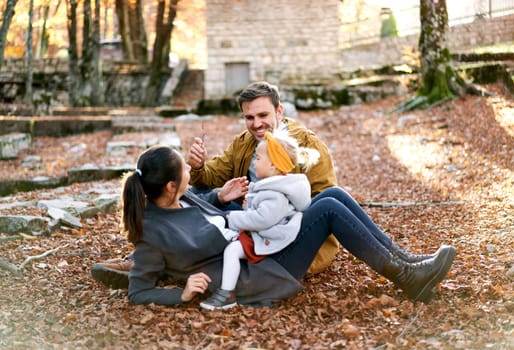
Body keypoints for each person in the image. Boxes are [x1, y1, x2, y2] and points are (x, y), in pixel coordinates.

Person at [90, 81, 444, 288]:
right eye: (249, 117)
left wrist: (267, 208)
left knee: (333, 197)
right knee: (196, 193)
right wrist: (197, 168)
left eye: (263, 115)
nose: (257, 124)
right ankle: (146, 254)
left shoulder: (304, 145)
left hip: (292, 233)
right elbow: (209, 178)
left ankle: (405, 263)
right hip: (255, 229)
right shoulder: (245, 143)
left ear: (279, 111)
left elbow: (316, 201)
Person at [119, 145, 455, 307]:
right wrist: (181, 292)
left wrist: (220, 196)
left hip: (260, 243)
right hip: (258, 269)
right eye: (186, 172)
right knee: (327, 212)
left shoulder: (184, 197)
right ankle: (409, 279)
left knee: (332, 193)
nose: (190, 174)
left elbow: (203, 208)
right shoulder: (151, 234)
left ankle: (407, 261)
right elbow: (138, 291)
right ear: (168, 187)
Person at [199, 131, 319, 310]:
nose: (254, 162)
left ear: (273, 165)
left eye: (258, 158)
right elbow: (263, 214)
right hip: (261, 233)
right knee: (230, 244)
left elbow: (262, 219)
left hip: (268, 238)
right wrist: (248, 206)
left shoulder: (275, 193)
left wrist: (231, 218)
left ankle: (227, 294)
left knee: (232, 250)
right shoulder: (273, 186)